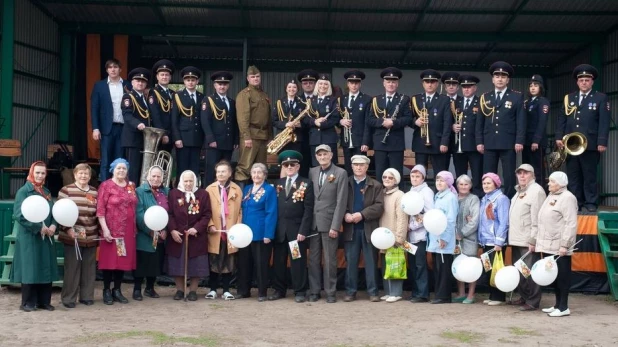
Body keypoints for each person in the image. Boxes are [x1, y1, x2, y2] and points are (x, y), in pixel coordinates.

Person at [555, 64, 610, 213]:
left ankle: (591, 202)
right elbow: (562, 119)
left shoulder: (600, 98)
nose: (584, 82)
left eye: (587, 80)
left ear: (592, 81)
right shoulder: (569, 98)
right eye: (581, 80)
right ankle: (575, 202)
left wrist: (602, 142)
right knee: (573, 175)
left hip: (591, 144)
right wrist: (559, 136)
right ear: (577, 82)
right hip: (571, 144)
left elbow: (604, 122)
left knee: (589, 174)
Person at [11, 162, 58, 312]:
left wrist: (53, 226)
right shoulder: (23, 192)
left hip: (47, 236)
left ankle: (44, 301)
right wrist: (38, 227)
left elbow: (54, 211)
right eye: (37, 172)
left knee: (45, 266)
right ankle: (28, 302)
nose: (40, 176)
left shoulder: (46, 191)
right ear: (32, 172)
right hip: (30, 236)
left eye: (43, 173)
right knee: (31, 268)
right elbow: (19, 215)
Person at [270, 151, 314, 303]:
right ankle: (279, 290)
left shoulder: (306, 183)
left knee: (297, 262)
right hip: (279, 231)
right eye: (286, 165)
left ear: (298, 166)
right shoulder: (278, 184)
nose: (289, 167)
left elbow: (308, 210)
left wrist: (303, 230)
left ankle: (299, 291)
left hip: (296, 232)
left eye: (292, 165)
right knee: (278, 262)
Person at [477, 61, 526, 198]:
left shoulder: (516, 96)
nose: (500, 79)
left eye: (503, 77)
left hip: (508, 141)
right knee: (488, 174)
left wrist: (519, 140)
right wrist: (479, 141)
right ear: (493, 79)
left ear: (508, 80)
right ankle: (489, 197)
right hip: (489, 141)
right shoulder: (485, 97)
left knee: (509, 173)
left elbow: (521, 120)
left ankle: (510, 198)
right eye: (497, 76)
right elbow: (480, 122)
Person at [534, 171, 578, 317]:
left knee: (562, 277)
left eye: (552, 181)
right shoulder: (551, 196)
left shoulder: (568, 198)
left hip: (560, 245)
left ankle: (564, 306)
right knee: (553, 275)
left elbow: (570, 223)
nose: (549, 184)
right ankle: (557, 304)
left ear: (560, 184)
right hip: (548, 244)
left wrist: (565, 244)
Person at [308, 144, 348, 303]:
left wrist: (335, 225)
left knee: (330, 259)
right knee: (313, 259)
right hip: (313, 222)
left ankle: (331, 292)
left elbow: (341, 201)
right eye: (319, 155)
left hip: (330, 222)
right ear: (316, 157)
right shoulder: (312, 171)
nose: (322, 157)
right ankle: (314, 290)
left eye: (325, 154)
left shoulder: (340, 173)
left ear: (331, 155)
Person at [342, 155, 384, 302]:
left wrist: (362, 214)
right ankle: (350, 292)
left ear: (367, 167)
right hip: (350, 229)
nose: (359, 167)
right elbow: (339, 202)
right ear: (352, 166)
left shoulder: (376, 185)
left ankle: (373, 292)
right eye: (356, 165)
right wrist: (345, 214)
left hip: (369, 229)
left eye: (362, 165)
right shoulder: (345, 183)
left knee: (371, 262)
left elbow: (379, 207)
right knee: (351, 262)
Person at [96, 158, 138, 305]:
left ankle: (117, 290)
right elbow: (100, 210)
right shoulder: (106, 186)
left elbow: (134, 204)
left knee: (122, 260)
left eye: (124, 168)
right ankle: (106, 290)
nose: (121, 171)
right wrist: (105, 230)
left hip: (127, 231)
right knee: (109, 261)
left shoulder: (131, 185)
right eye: (118, 168)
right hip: (112, 230)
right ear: (113, 169)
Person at [57, 163, 99, 308]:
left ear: (90, 176)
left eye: (86, 174)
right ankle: (68, 298)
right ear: (75, 174)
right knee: (72, 268)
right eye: (80, 173)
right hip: (72, 235)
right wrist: (66, 228)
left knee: (89, 267)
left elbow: (98, 213)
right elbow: (59, 212)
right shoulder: (66, 190)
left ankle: (87, 296)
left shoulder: (94, 192)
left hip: (91, 234)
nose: (83, 176)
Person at [166, 170, 212, 301]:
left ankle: (192, 291)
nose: (188, 183)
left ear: (195, 181)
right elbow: (169, 214)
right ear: (181, 181)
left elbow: (207, 214)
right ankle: (180, 290)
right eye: (185, 181)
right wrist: (173, 230)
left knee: (195, 265)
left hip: (196, 236)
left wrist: (197, 228)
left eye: (190, 181)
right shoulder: (174, 193)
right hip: (177, 235)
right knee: (177, 264)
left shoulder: (203, 194)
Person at [508, 164, 546, 311]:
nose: (522, 176)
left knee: (530, 272)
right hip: (516, 238)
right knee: (521, 271)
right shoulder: (518, 191)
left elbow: (537, 218)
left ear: (533, 175)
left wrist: (533, 239)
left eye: (526, 173)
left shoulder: (536, 191)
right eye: (520, 173)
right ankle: (524, 297)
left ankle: (533, 301)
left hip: (527, 239)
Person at [238, 163, 277, 302]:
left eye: (259, 172)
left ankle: (262, 292)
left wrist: (268, 234)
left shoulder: (269, 190)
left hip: (261, 233)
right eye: (253, 172)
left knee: (261, 264)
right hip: (245, 233)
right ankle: (244, 290)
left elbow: (271, 212)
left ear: (265, 175)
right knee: (244, 263)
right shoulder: (247, 189)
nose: (256, 175)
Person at [204, 160, 243, 300]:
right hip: (215, 231)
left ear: (230, 173)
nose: (220, 174)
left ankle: (226, 290)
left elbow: (240, 211)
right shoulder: (209, 189)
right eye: (218, 171)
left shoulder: (236, 189)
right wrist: (210, 224)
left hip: (230, 230)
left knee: (229, 259)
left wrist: (237, 227)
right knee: (214, 259)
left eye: (223, 171)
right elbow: (205, 211)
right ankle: (213, 289)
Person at [366, 67, 412, 181]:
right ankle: (380, 198)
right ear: (384, 83)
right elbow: (369, 119)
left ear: (397, 84)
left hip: (396, 143)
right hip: (380, 142)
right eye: (388, 81)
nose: (391, 84)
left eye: (393, 82)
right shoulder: (376, 100)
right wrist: (382, 122)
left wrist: (393, 122)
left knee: (396, 174)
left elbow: (408, 118)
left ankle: (397, 198)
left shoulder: (404, 99)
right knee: (380, 173)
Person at [91, 58, 131, 182]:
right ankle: (104, 187)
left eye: (115, 67)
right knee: (106, 160)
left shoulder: (127, 85)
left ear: (120, 69)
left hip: (124, 128)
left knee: (120, 160)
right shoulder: (100, 86)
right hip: (106, 128)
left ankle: (119, 187)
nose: (113, 69)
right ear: (107, 70)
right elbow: (94, 108)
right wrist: (95, 128)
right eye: (110, 67)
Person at [134, 166, 170, 301]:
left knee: (155, 261)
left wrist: (165, 229)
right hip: (145, 234)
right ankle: (137, 289)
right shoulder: (140, 191)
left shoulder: (167, 192)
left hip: (161, 235)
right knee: (142, 262)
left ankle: (150, 288)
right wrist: (150, 230)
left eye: (158, 176)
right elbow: (139, 214)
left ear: (162, 178)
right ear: (148, 177)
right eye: (153, 176)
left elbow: (169, 213)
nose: (156, 179)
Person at [235, 65, 272, 186]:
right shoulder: (245, 94)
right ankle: (240, 197)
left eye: (257, 76)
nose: (255, 79)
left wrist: (270, 137)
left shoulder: (264, 95)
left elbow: (268, 117)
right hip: (250, 135)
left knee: (261, 168)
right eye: (252, 77)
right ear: (248, 78)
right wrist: (246, 137)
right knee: (244, 167)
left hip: (263, 135)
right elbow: (242, 118)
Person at [410, 69, 452, 177]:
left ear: (437, 84)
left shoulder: (445, 100)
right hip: (420, 141)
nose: (429, 84)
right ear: (423, 83)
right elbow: (407, 118)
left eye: (432, 82)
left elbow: (447, 122)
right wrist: (415, 122)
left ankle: (440, 194)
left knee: (440, 174)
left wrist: (444, 142)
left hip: (438, 142)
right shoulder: (415, 99)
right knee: (419, 174)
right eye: (427, 82)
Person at [478, 172, 510, 306]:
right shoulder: (484, 199)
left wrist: (499, 241)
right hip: (485, 240)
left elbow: (504, 222)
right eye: (484, 183)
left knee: (497, 269)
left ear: (496, 184)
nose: (486, 185)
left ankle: (499, 297)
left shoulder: (501, 199)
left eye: (489, 183)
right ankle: (492, 295)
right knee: (489, 269)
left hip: (495, 241)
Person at [201, 71, 238, 186]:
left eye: (224, 84)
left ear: (228, 86)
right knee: (212, 172)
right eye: (219, 84)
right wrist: (210, 139)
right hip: (214, 143)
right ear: (215, 85)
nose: (222, 86)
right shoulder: (209, 100)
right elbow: (205, 121)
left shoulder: (232, 102)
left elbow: (235, 123)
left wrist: (236, 140)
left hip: (228, 143)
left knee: (226, 172)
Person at [379, 168, 408, 303]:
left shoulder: (400, 195)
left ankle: (396, 292)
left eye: (390, 178)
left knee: (395, 263)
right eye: (385, 177)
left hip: (394, 236)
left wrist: (399, 237)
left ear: (396, 180)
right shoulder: (382, 194)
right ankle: (388, 291)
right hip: (383, 236)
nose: (387, 180)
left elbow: (402, 218)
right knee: (386, 264)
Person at [428, 171, 458, 304]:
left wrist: (445, 238)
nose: (439, 183)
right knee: (437, 268)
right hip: (435, 238)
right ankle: (439, 294)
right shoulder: (438, 196)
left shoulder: (450, 197)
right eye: (437, 180)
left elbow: (451, 219)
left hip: (444, 240)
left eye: (442, 180)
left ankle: (444, 295)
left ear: (449, 182)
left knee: (444, 268)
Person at [452, 75, 483, 197]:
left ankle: (477, 198)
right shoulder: (455, 102)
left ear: (475, 88)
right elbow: (448, 120)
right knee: (460, 175)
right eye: (464, 87)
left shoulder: (481, 101)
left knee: (477, 174)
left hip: (475, 145)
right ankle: (461, 198)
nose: (466, 89)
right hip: (459, 145)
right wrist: (452, 126)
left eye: (469, 87)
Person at [121, 67, 154, 184]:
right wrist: (138, 124)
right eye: (137, 81)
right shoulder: (128, 97)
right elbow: (127, 115)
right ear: (132, 82)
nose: (140, 83)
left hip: (143, 139)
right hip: (132, 138)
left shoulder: (145, 98)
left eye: (143, 81)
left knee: (142, 170)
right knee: (133, 171)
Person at [172, 66, 204, 180]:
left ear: (197, 81)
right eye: (188, 80)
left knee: (195, 168)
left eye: (193, 80)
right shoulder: (178, 96)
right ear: (184, 81)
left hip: (197, 138)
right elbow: (174, 119)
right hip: (183, 138)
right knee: (182, 168)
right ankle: (180, 194)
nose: (190, 82)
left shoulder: (202, 97)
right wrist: (177, 138)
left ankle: (194, 194)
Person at [407, 164, 434, 303]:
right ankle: (415, 291)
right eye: (413, 176)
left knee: (420, 264)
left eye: (418, 176)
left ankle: (423, 293)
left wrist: (412, 226)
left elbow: (428, 213)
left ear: (423, 178)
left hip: (420, 235)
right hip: (410, 236)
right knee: (412, 264)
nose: (415, 179)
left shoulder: (426, 192)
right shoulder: (411, 190)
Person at [339, 70, 372, 175]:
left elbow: (368, 122)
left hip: (360, 141)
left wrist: (365, 141)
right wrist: (341, 121)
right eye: (351, 83)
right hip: (347, 140)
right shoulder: (341, 99)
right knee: (349, 169)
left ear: (360, 84)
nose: (354, 85)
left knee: (360, 169)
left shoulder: (367, 99)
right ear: (348, 84)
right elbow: (336, 118)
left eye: (356, 83)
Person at [303, 74, 340, 165]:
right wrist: (315, 122)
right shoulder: (310, 101)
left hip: (329, 138)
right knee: (316, 166)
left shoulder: (333, 100)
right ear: (317, 85)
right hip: (314, 138)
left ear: (328, 86)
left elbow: (335, 118)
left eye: (325, 84)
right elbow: (305, 118)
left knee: (331, 165)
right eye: (320, 84)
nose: (323, 86)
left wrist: (322, 124)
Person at [453, 174, 480, 304]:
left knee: (470, 266)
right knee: (458, 264)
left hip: (469, 238)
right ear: (457, 186)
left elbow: (475, 221)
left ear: (470, 186)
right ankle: (461, 293)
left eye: (466, 184)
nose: (463, 187)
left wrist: (462, 233)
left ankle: (471, 294)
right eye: (461, 184)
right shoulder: (453, 198)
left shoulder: (473, 199)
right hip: (455, 240)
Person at [522, 75, 550, 187]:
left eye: (536, 85)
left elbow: (542, 122)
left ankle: (540, 193)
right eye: (531, 85)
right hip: (526, 141)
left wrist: (536, 141)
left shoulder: (543, 101)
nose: (533, 88)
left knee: (537, 170)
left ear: (541, 87)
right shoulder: (527, 102)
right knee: (526, 169)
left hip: (536, 142)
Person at [149, 59, 175, 153]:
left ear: (170, 77)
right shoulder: (153, 92)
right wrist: (162, 134)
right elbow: (155, 115)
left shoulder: (172, 93)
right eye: (162, 75)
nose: (164, 77)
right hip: (159, 134)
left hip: (171, 134)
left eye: (167, 75)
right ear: (157, 77)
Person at [272, 80, 305, 154]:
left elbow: (306, 121)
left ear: (297, 89)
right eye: (289, 87)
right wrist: (285, 124)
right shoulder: (279, 102)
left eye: (294, 87)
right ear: (286, 89)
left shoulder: (302, 102)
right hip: (282, 138)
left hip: (297, 138)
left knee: (296, 160)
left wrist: (300, 124)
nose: (292, 89)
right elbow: (274, 121)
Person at [297, 69, 319, 174]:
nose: (308, 85)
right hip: (302, 137)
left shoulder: (321, 98)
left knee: (317, 167)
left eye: (311, 83)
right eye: (305, 83)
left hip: (318, 136)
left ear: (315, 84)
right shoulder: (297, 99)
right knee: (303, 167)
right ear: (301, 85)